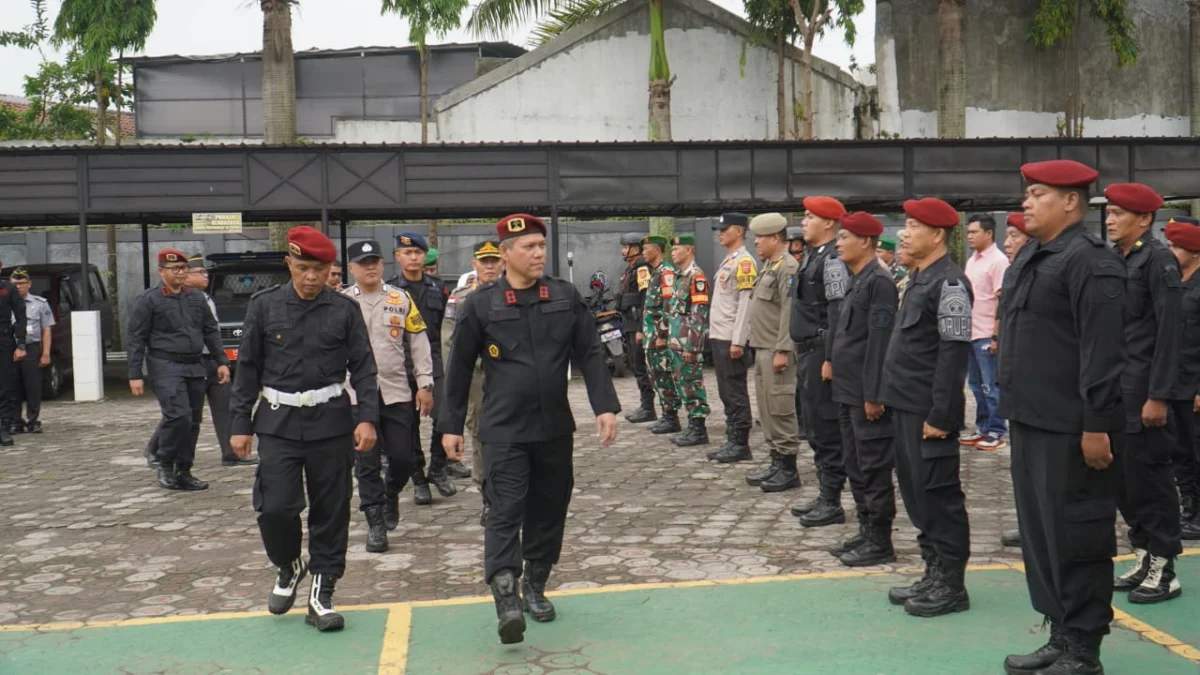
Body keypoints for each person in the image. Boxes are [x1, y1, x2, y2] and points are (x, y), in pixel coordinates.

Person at [440, 213, 619, 645]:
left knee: (548, 510)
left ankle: (535, 584)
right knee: (503, 511)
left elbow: (590, 352)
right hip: (502, 430)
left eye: (541, 246)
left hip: (554, 427)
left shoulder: (563, 295)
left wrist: (605, 406)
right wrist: (449, 426)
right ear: (505, 255)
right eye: (529, 248)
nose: (538, 253)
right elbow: (459, 368)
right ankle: (506, 597)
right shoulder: (480, 304)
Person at [998, 160, 1124, 675]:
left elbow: (1102, 351)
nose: (1026, 203)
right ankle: (1060, 629)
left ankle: (1084, 650)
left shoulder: (1089, 261)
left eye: (1037, 194)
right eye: (1027, 195)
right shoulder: (1034, 255)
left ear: (1070, 201)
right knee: (1041, 534)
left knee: (1077, 534)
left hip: (1072, 427)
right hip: (1029, 419)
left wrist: (1096, 424)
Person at [230, 225, 378, 633]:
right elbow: (247, 369)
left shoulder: (343, 310)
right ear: (288, 264)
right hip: (278, 422)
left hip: (331, 423)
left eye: (319, 269)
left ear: (331, 268)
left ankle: (321, 592)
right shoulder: (264, 306)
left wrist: (367, 417)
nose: (311, 277)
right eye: (302, 268)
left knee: (331, 511)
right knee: (276, 507)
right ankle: (289, 564)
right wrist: (240, 423)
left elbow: (364, 367)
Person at [878, 197, 972, 618]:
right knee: (917, 494)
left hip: (928, 411)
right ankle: (933, 571)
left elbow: (953, 356)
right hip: (904, 405)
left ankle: (952, 583)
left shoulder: (949, 284)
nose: (904, 231)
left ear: (937, 234)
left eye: (914, 225)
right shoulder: (916, 279)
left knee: (939, 495)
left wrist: (941, 415)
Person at [1104, 182, 1185, 605]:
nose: (1110, 219)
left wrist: (1160, 395)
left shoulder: (1158, 262)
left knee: (1151, 477)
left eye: (1118, 213)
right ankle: (1142, 551)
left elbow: (1171, 332)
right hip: (1117, 389)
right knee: (1123, 479)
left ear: (1145, 219)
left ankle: (1165, 564)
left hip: (1144, 390)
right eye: (1109, 213)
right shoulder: (1116, 260)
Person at [344, 239, 435, 553]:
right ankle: (375, 524)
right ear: (352, 268)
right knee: (366, 463)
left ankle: (390, 492)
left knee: (403, 458)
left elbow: (419, 342)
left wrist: (424, 383)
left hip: (396, 391)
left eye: (375, 262)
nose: (370, 267)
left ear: (383, 265)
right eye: (363, 263)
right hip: (355, 396)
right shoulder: (342, 302)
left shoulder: (401, 298)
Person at [828, 212, 899, 567]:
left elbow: (879, 341)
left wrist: (873, 394)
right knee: (855, 463)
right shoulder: (858, 279)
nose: (839, 243)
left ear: (866, 242)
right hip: (846, 388)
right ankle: (865, 529)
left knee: (873, 465)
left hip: (864, 393)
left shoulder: (879, 282)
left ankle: (881, 539)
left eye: (845, 237)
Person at [127, 249, 229, 491]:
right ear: (161, 271)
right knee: (177, 415)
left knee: (193, 420)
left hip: (195, 364)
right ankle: (164, 462)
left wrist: (221, 361)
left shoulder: (196, 298)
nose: (181, 273)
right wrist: (134, 374)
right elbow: (135, 338)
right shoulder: (149, 300)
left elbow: (210, 331)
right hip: (165, 365)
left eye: (184, 269)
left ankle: (184, 470)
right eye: (175, 269)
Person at [143, 257, 254, 469]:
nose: (205, 276)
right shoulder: (170, 300)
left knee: (226, 403)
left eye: (205, 272)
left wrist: (221, 360)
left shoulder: (204, 298)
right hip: (191, 361)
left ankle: (231, 453)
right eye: (200, 272)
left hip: (211, 359)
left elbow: (213, 332)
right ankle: (155, 449)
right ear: (186, 276)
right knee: (182, 411)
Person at [785, 196, 849, 525]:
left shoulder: (834, 260)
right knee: (812, 426)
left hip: (821, 351)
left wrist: (831, 357)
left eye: (810, 217)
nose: (804, 221)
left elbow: (837, 312)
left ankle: (832, 500)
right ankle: (826, 493)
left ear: (828, 223)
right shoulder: (814, 256)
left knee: (825, 427)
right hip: (807, 351)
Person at [389, 233, 462, 502]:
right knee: (406, 425)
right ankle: (418, 476)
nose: (413, 258)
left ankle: (438, 469)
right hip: (400, 363)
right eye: (407, 253)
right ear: (398, 256)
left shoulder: (438, 288)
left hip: (435, 360)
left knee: (445, 415)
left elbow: (447, 326)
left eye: (418, 253)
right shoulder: (391, 290)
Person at [443, 240, 504, 525]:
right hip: (477, 378)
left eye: (494, 260)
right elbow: (449, 342)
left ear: (503, 261)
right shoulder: (461, 297)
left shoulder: (515, 292)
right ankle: (487, 495)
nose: (489, 266)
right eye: (484, 261)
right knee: (479, 434)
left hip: (509, 377)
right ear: (474, 264)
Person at [746, 213, 803, 489]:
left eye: (761, 238)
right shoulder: (769, 265)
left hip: (776, 350)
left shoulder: (787, 267)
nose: (756, 242)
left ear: (776, 238)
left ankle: (789, 469)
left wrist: (783, 349)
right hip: (762, 348)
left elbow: (788, 312)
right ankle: (776, 461)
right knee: (767, 408)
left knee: (780, 408)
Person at [707, 213, 758, 463]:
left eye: (724, 229)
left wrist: (739, 340)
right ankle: (732, 438)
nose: (720, 233)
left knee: (735, 391)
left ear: (738, 231)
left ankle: (741, 443)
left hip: (731, 338)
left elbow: (745, 304)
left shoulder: (745, 262)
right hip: (720, 335)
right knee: (725, 391)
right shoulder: (729, 261)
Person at [997, 212, 1032, 551]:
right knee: (1021, 467)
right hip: (1016, 387)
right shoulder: (1015, 274)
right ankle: (1029, 524)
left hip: (1040, 391)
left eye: (1014, 236)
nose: (1007, 244)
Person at [1164, 217, 1200, 541]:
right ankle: (1189, 509)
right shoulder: (1173, 280)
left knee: (1198, 448)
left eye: (1176, 246)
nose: (1171, 251)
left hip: (1195, 384)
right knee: (1179, 452)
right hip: (1173, 381)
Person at [961, 214, 1010, 451]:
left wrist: (996, 335)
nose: (970, 236)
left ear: (988, 233)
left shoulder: (998, 261)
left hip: (987, 333)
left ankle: (997, 431)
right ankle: (982, 428)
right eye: (968, 232)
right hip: (971, 331)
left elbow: (1003, 300)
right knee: (976, 386)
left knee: (991, 386)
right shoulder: (973, 260)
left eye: (974, 232)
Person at [666, 233, 711, 446]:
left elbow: (699, 315)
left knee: (692, 385)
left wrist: (692, 347)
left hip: (687, 345)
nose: (673, 253)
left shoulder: (696, 276)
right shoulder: (679, 276)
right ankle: (692, 427)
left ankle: (699, 430)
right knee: (682, 385)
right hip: (676, 342)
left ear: (689, 250)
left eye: (676, 249)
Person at [640, 235, 681, 435]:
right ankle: (667, 414)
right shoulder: (656, 272)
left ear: (656, 250)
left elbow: (667, 307)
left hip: (660, 337)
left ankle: (671, 416)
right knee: (656, 375)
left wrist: (662, 334)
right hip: (652, 335)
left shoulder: (666, 273)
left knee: (664, 375)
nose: (643, 252)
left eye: (646, 248)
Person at [615, 232, 657, 423]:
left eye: (626, 247)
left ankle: (648, 407)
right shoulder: (631, 269)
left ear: (636, 249)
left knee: (640, 366)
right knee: (635, 364)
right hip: (629, 323)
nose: (623, 251)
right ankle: (645, 405)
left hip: (637, 323)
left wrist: (641, 328)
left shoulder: (641, 269)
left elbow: (645, 299)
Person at [7, 269, 52, 435]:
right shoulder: (5, 302)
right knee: (12, 386)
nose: (18, 286)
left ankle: (33, 421)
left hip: (32, 347)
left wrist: (45, 353)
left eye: (22, 283)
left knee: (33, 386)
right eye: (15, 284)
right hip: (9, 348)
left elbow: (46, 329)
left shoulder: (40, 303)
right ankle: (15, 421)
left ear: (29, 284)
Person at [0, 260, 26, 447]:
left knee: (5, 385)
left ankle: (4, 427)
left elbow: (21, 316)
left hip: (4, 339)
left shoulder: (8, 289)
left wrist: (21, 344)